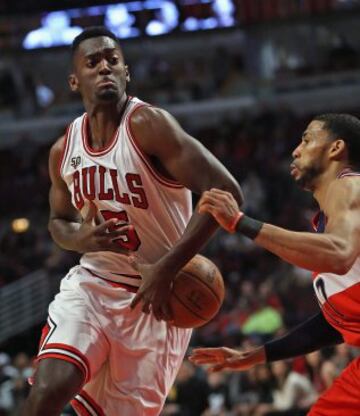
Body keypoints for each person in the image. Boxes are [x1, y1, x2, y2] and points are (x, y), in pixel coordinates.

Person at [23, 26, 243, 416]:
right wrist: (83, 238)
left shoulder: (149, 126)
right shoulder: (63, 150)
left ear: (127, 72)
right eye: (93, 62)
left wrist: (166, 269)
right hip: (94, 285)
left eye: (113, 60)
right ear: (75, 80)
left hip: (158, 299)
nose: (105, 67)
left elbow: (226, 193)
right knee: (46, 393)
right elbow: (58, 222)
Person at [190, 113, 360, 415]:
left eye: (307, 139)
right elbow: (333, 325)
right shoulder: (329, 223)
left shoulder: (350, 187)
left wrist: (241, 223)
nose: (296, 150)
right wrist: (256, 356)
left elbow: (339, 253)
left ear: (336, 149)